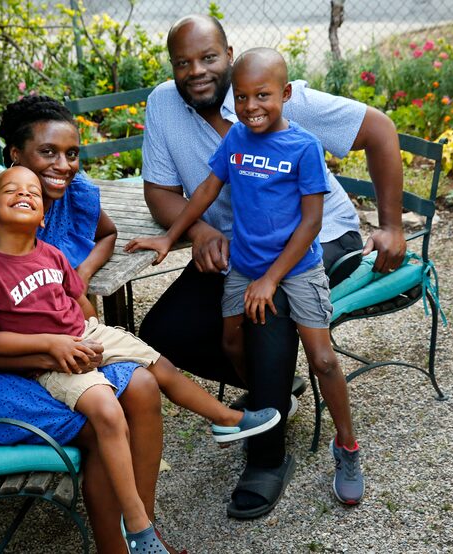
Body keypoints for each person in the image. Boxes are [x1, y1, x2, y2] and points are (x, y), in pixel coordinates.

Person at [138, 15, 406, 519]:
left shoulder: (274, 94)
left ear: (231, 54)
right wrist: (197, 231)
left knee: (270, 307)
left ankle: (266, 456)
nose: (196, 71)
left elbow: (380, 130)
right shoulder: (164, 105)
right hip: (244, 245)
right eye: (182, 62)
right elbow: (160, 191)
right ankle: (275, 389)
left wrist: (391, 224)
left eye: (209, 58)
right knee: (163, 330)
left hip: (319, 236)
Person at [0, 165, 281, 550]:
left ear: (43, 216)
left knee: (160, 366)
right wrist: (50, 345)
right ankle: (137, 523)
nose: (25, 194)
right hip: (49, 357)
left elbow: (75, 295)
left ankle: (226, 419)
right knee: (107, 409)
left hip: (86, 335)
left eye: (33, 192)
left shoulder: (50, 254)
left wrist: (94, 327)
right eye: (12, 190)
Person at [0, 96, 178, 553]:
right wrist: (49, 351)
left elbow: (107, 232)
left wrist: (79, 280)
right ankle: (115, 548)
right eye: (47, 153)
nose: (63, 165)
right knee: (96, 425)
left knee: (145, 387)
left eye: (70, 153)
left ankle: (143, 535)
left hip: (50, 346)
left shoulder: (62, 195)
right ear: (15, 155)